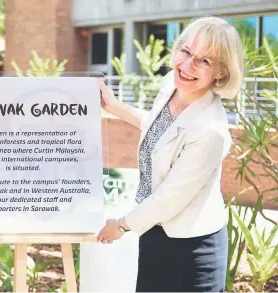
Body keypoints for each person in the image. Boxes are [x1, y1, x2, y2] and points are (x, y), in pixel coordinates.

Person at [97, 16, 244, 292]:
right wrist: (115, 107)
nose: (187, 65)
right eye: (186, 51)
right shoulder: (172, 85)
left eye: (204, 61)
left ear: (221, 73)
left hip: (191, 249)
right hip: (156, 231)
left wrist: (120, 225)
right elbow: (160, 130)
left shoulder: (210, 129)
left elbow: (170, 198)